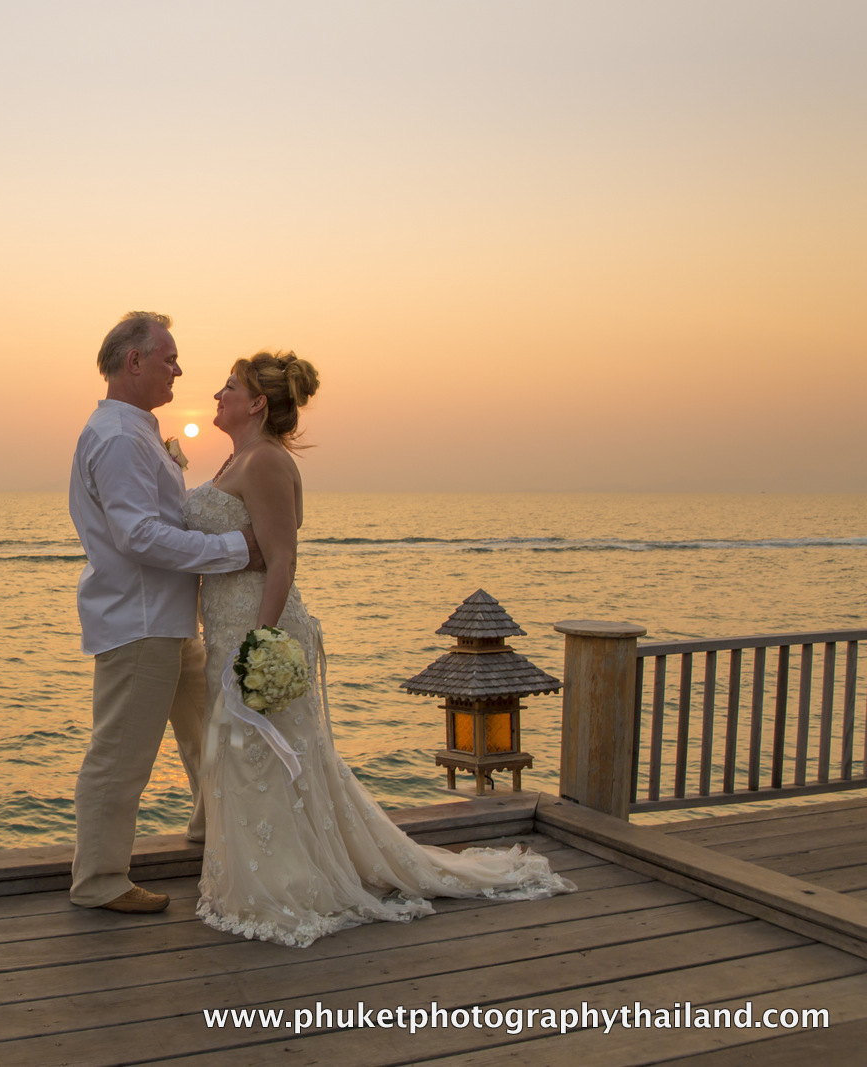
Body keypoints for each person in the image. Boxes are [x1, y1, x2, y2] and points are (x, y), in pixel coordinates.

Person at [185, 351, 574, 947]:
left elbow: (282, 557)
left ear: (257, 402)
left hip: (255, 632)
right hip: (228, 632)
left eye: (230, 386)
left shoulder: (263, 461)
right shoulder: (236, 458)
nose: (218, 394)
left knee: (262, 755)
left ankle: (286, 884)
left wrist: (261, 643)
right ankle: (265, 872)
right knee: (248, 759)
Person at [67, 311, 263, 914]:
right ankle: (99, 881)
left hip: (171, 624)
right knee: (122, 755)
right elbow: (139, 536)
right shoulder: (122, 438)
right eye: (169, 357)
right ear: (134, 361)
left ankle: (210, 836)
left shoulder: (137, 431)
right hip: (142, 622)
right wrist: (236, 549)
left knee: (212, 734)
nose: (179, 368)